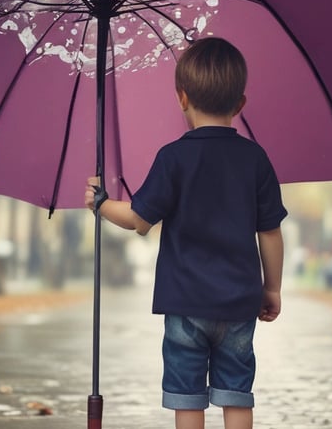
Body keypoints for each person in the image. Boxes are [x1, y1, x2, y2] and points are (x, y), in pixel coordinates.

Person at [84, 37, 286, 429]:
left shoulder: (173, 158)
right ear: (240, 104)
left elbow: (139, 219)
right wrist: (272, 288)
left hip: (185, 301)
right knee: (236, 392)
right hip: (239, 302)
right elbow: (271, 233)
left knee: (187, 396)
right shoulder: (255, 159)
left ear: (182, 98)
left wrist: (101, 204)